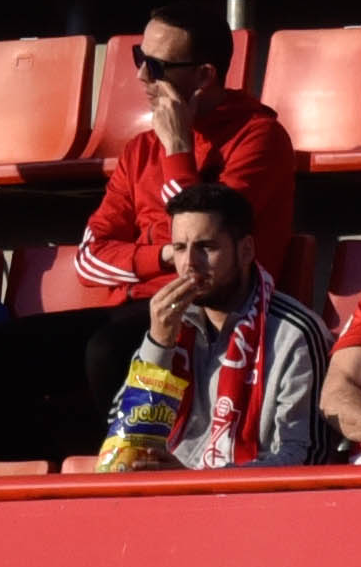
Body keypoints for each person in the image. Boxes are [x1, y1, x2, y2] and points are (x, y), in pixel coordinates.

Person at [58, 0, 306, 293]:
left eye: (156, 66)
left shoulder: (260, 138)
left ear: (204, 76)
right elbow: (88, 260)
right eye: (140, 57)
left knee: (104, 342)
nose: (141, 75)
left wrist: (178, 149)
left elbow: (206, 241)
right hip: (138, 306)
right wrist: (165, 255)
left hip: (210, 310)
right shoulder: (141, 148)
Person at [93, 179, 323, 471]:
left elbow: (308, 460)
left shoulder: (295, 333)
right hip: (161, 499)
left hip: (251, 508)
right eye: (179, 247)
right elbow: (122, 438)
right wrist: (158, 346)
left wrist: (195, 479)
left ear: (246, 250)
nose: (189, 263)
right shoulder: (169, 325)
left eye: (206, 247)